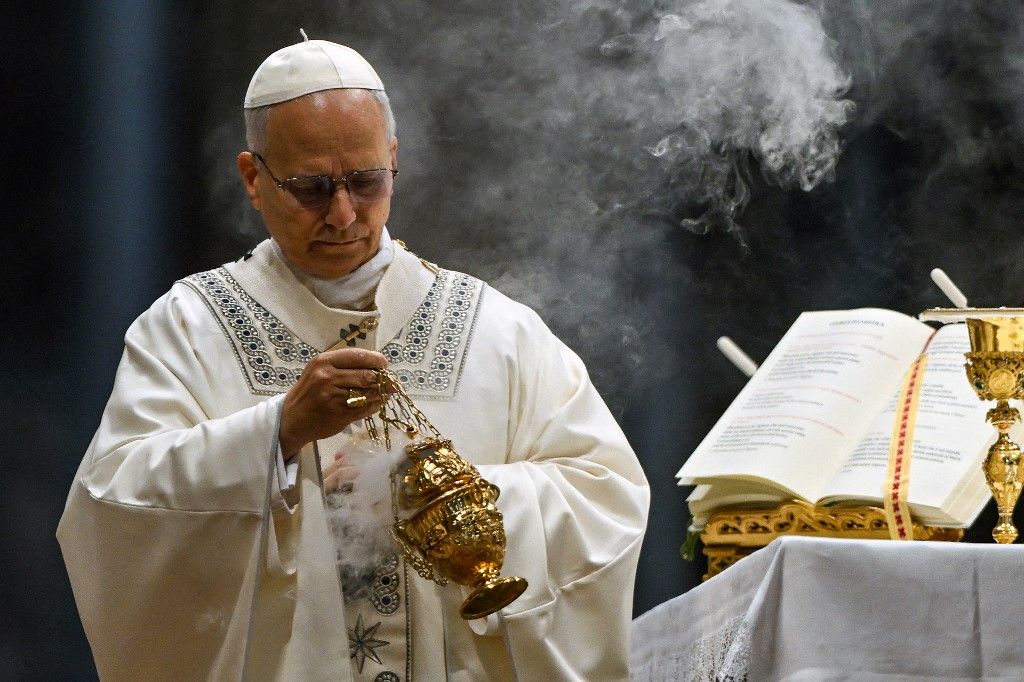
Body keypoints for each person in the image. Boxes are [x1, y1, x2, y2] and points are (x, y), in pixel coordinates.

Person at [58, 34, 649, 681]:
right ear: (253, 178)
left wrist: (447, 498)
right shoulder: (187, 328)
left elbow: (607, 499)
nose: (343, 214)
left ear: (393, 160)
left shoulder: (497, 330)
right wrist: (275, 436)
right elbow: (113, 508)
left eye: (365, 181)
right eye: (311, 188)